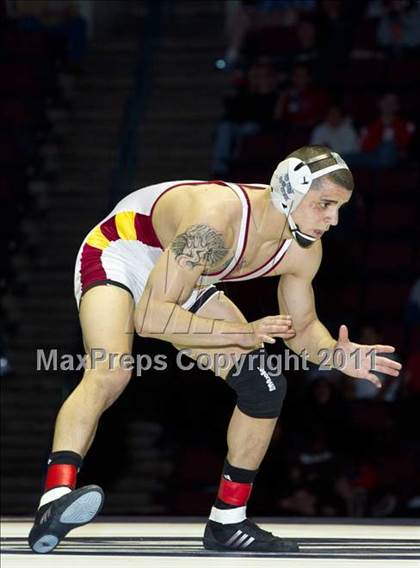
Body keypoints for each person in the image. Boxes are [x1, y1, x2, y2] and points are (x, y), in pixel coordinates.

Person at [28, 145, 401, 554]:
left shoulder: (303, 249)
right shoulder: (215, 220)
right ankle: (55, 497)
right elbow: (150, 319)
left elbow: (303, 329)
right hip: (123, 252)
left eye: (339, 208)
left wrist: (335, 355)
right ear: (289, 191)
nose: (332, 220)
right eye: (325, 205)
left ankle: (227, 521)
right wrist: (240, 334)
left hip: (184, 279)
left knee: (264, 384)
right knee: (110, 371)